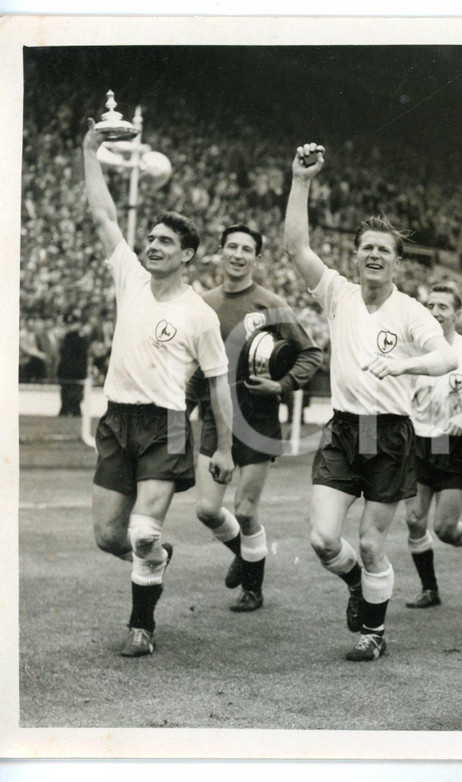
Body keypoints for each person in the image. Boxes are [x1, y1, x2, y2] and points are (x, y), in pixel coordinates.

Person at [283, 142, 457, 661]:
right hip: (344, 428)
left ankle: (373, 634)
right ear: (356, 256)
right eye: (367, 248)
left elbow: (446, 359)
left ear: (398, 261)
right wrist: (301, 181)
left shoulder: (410, 312)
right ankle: (359, 583)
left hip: (390, 433)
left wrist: (403, 365)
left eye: (385, 249)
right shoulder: (337, 293)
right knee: (322, 540)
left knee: (376, 541)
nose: (374, 255)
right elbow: (296, 248)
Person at [82, 118, 234, 657]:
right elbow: (102, 213)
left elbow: (218, 386)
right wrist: (90, 149)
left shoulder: (198, 315)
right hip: (116, 418)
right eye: (150, 238)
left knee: (144, 531)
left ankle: (140, 627)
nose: (151, 246)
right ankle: (154, 557)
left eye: (165, 241)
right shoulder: (128, 276)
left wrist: (223, 450)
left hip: (167, 425)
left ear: (187, 254)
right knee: (108, 537)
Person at [188, 225, 322, 613]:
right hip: (216, 420)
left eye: (247, 249)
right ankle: (245, 553)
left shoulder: (270, 303)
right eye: (232, 246)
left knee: (246, 510)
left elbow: (310, 354)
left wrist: (281, 386)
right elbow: (195, 364)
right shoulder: (202, 304)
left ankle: (253, 589)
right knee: (208, 510)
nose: (239, 254)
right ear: (221, 252)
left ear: (256, 259)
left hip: (259, 419)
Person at [403, 282, 462, 609]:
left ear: (458, 314)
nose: (436, 312)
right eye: (431, 305)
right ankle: (430, 589)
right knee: (413, 519)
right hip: (420, 441)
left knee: (444, 528)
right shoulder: (411, 349)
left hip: (453, 445)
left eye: (443, 306)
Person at [56, 311, 90, 416]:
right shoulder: (73, 338)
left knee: (72, 400)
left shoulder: (76, 338)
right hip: (71, 374)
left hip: (73, 373)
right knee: (69, 400)